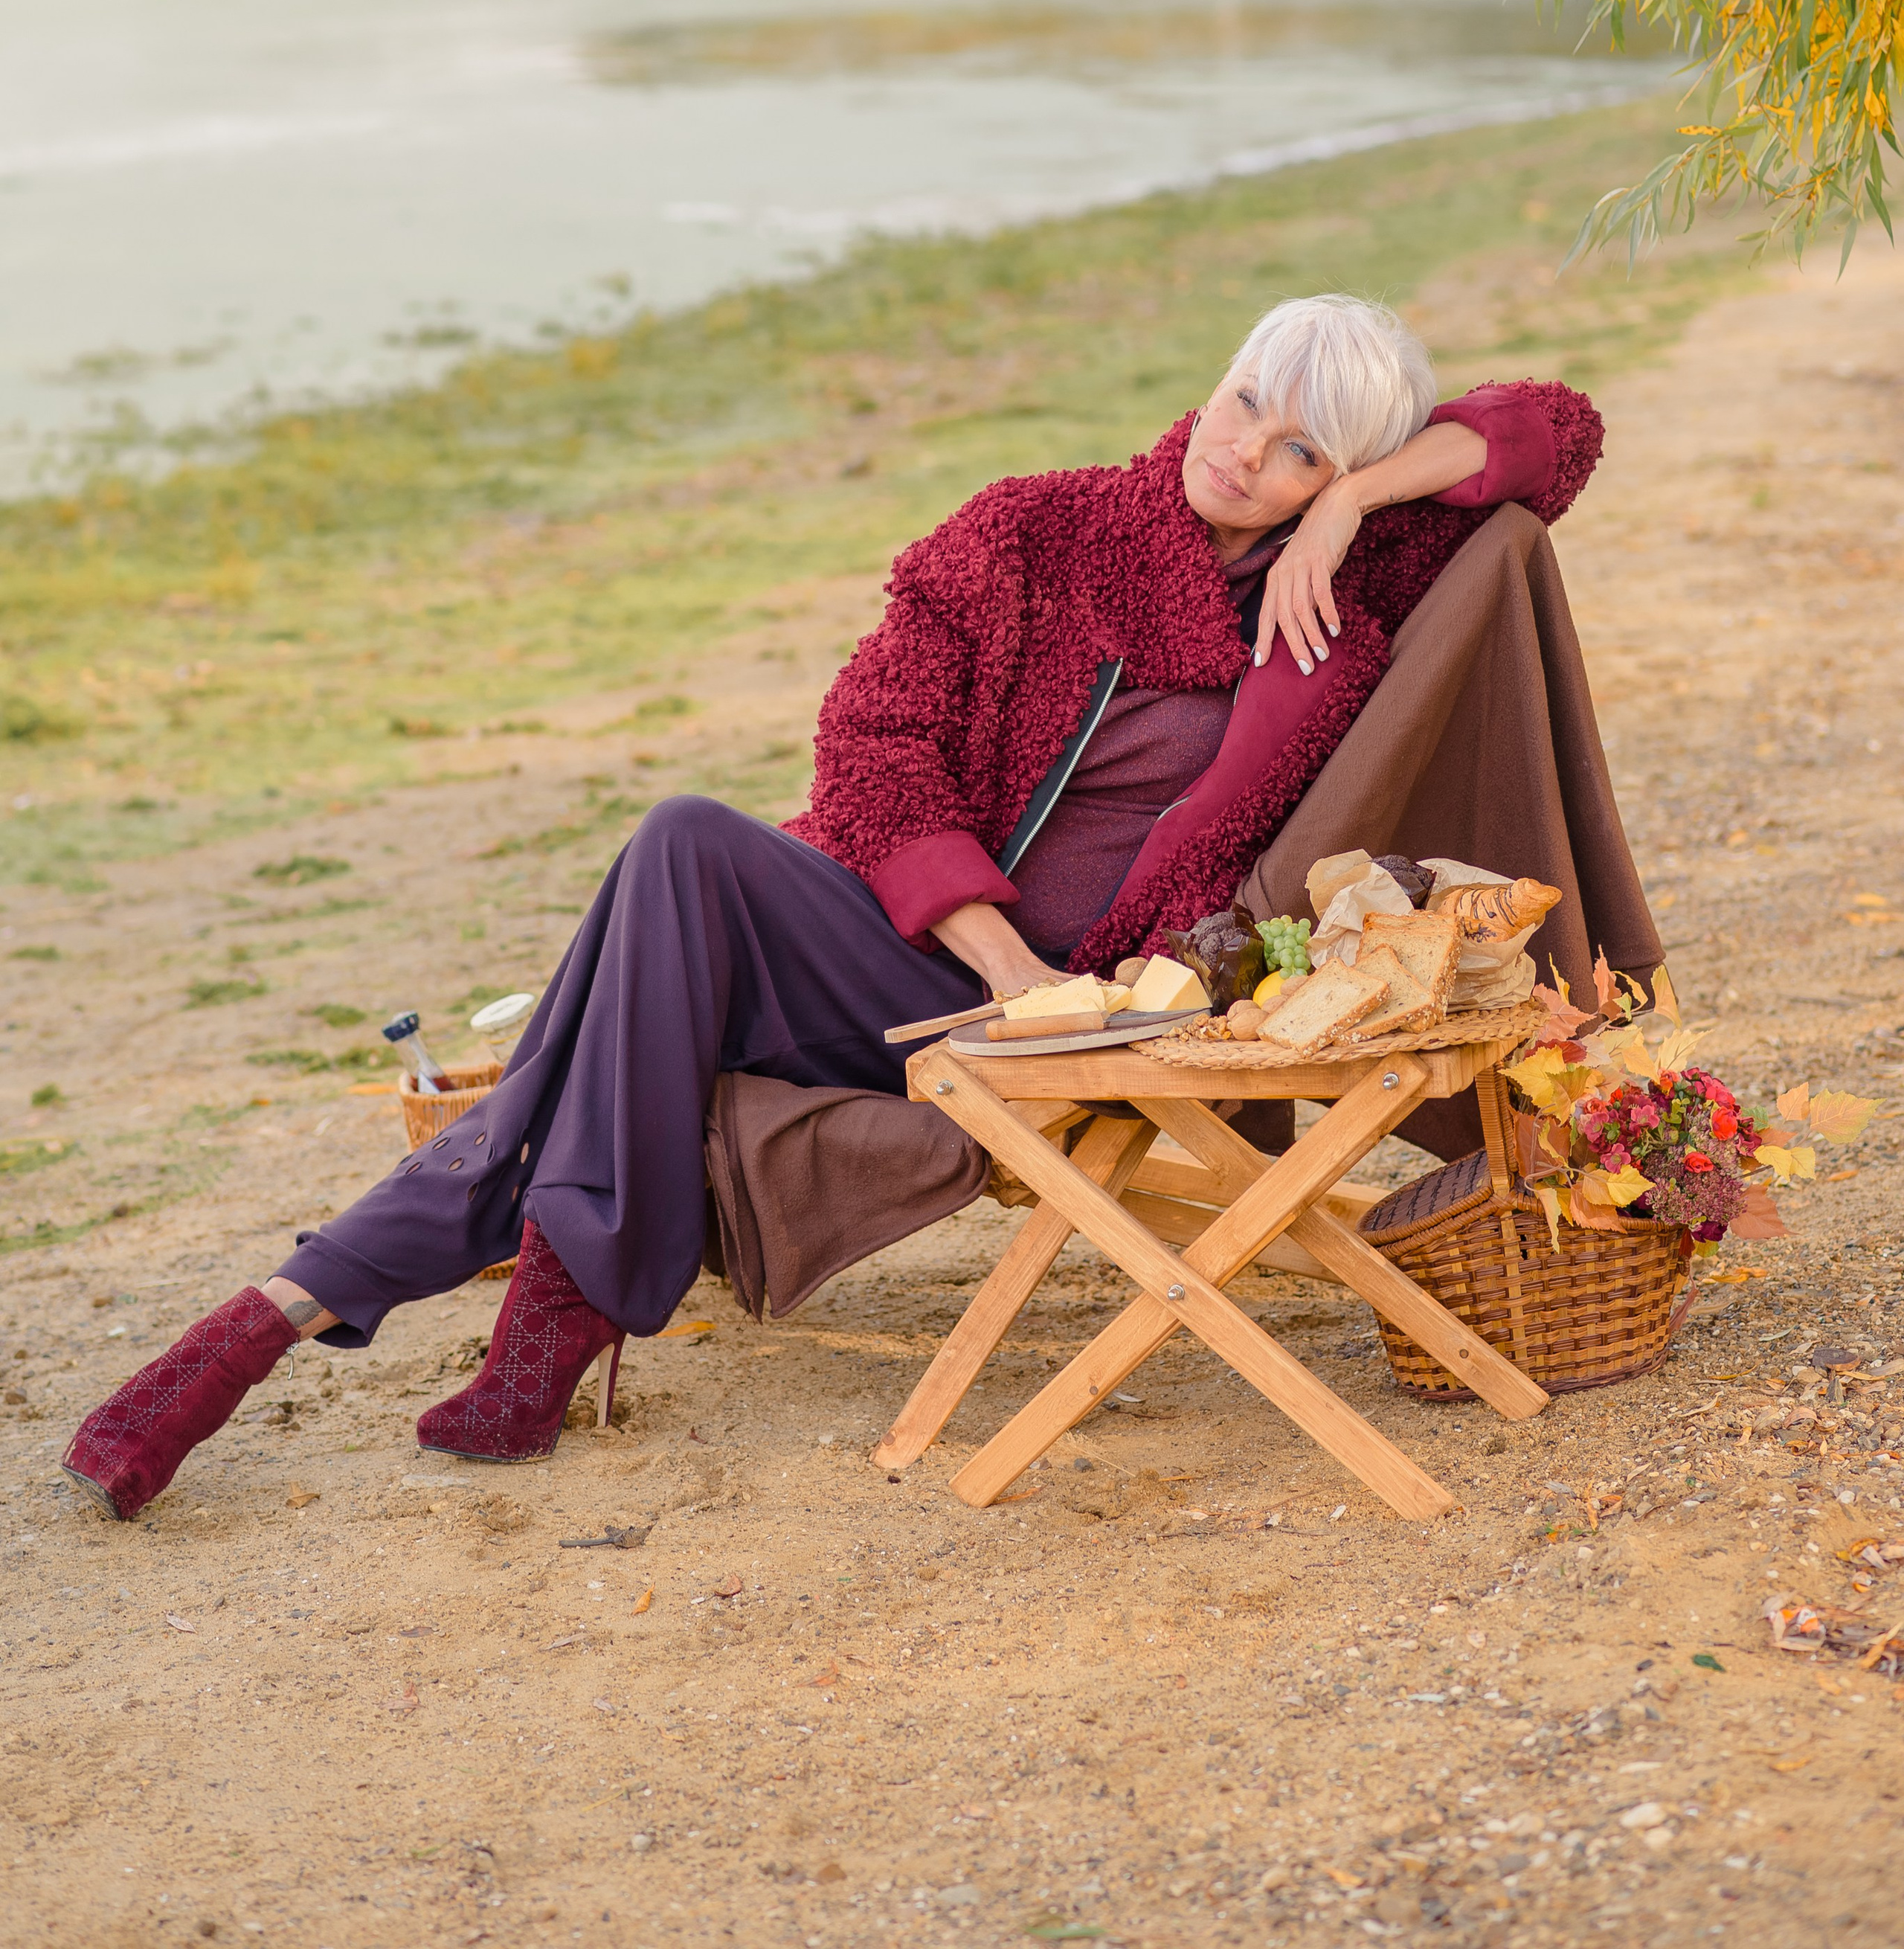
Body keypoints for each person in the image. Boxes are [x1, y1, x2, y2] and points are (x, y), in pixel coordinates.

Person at [64, 295, 1603, 1521]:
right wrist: (994, 955)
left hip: (1106, 1011)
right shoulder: (1033, 528)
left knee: (608, 990)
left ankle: (316, 1311)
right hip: (918, 954)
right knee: (684, 841)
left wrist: (1356, 510)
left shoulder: (1342, 589)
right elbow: (870, 748)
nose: (1246, 451)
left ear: (1337, 481)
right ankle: (510, 1313)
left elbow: (1558, 429)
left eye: (1301, 453)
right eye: (1245, 399)